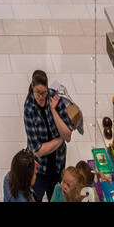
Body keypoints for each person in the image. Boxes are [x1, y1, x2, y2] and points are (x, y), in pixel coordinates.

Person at [24, 70, 73, 202]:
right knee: (35, 197)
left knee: (56, 196)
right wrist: (60, 139)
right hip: (38, 169)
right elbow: (38, 150)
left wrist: (53, 110)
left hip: (58, 164)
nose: (41, 97)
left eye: (43, 92)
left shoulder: (54, 98)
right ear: (32, 87)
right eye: (37, 93)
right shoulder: (29, 109)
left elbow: (68, 135)